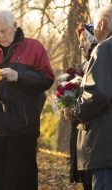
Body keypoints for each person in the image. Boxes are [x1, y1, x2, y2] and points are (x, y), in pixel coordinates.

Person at [0, 9, 54, 190]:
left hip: (22, 129)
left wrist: (19, 76)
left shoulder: (34, 47)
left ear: (15, 26)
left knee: (22, 182)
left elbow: (47, 79)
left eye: (3, 31)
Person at [63, 4, 112, 190]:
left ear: (100, 24)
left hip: (105, 144)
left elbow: (97, 93)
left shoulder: (105, 47)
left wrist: (73, 110)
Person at [69, 23, 96, 190]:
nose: (81, 44)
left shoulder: (99, 64)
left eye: (85, 39)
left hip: (95, 136)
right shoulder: (80, 68)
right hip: (80, 134)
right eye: (80, 40)